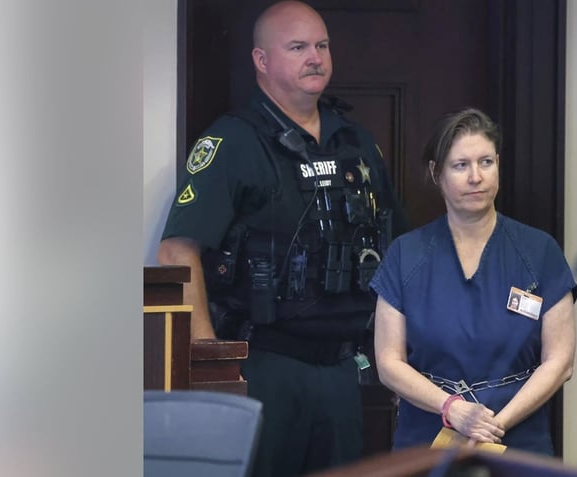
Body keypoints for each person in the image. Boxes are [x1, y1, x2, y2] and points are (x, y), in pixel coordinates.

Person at [157, 1, 408, 475]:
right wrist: (211, 367)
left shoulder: (356, 143)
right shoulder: (233, 143)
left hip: (341, 371)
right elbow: (176, 251)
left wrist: (401, 355)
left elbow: (398, 251)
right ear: (261, 60)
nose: (315, 57)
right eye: (298, 47)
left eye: (322, 45)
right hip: (262, 367)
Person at [370, 108, 577, 455]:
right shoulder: (406, 254)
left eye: (486, 162)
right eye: (460, 165)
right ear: (436, 173)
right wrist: (453, 410)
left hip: (518, 438)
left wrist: (493, 425)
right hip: (429, 436)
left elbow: (560, 361)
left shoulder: (539, 251)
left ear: (498, 163)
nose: (476, 177)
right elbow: (388, 363)